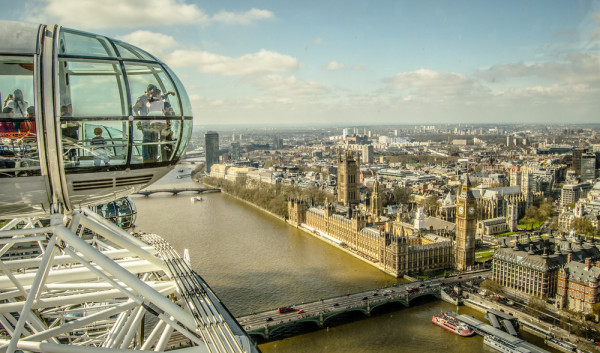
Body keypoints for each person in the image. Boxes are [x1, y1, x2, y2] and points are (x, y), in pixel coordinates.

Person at [134, 84, 173, 163]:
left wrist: (168, 93)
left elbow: (161, 97)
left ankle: (151, 157)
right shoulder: (142, 98)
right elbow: (135, 108)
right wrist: (139, 118)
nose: (154, 94)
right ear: (149, 91)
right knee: (147, 139)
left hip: (151, 123)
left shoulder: (152, 98)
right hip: (145, 122)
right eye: (153, 91)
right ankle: (146, 157)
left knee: (151, 140)